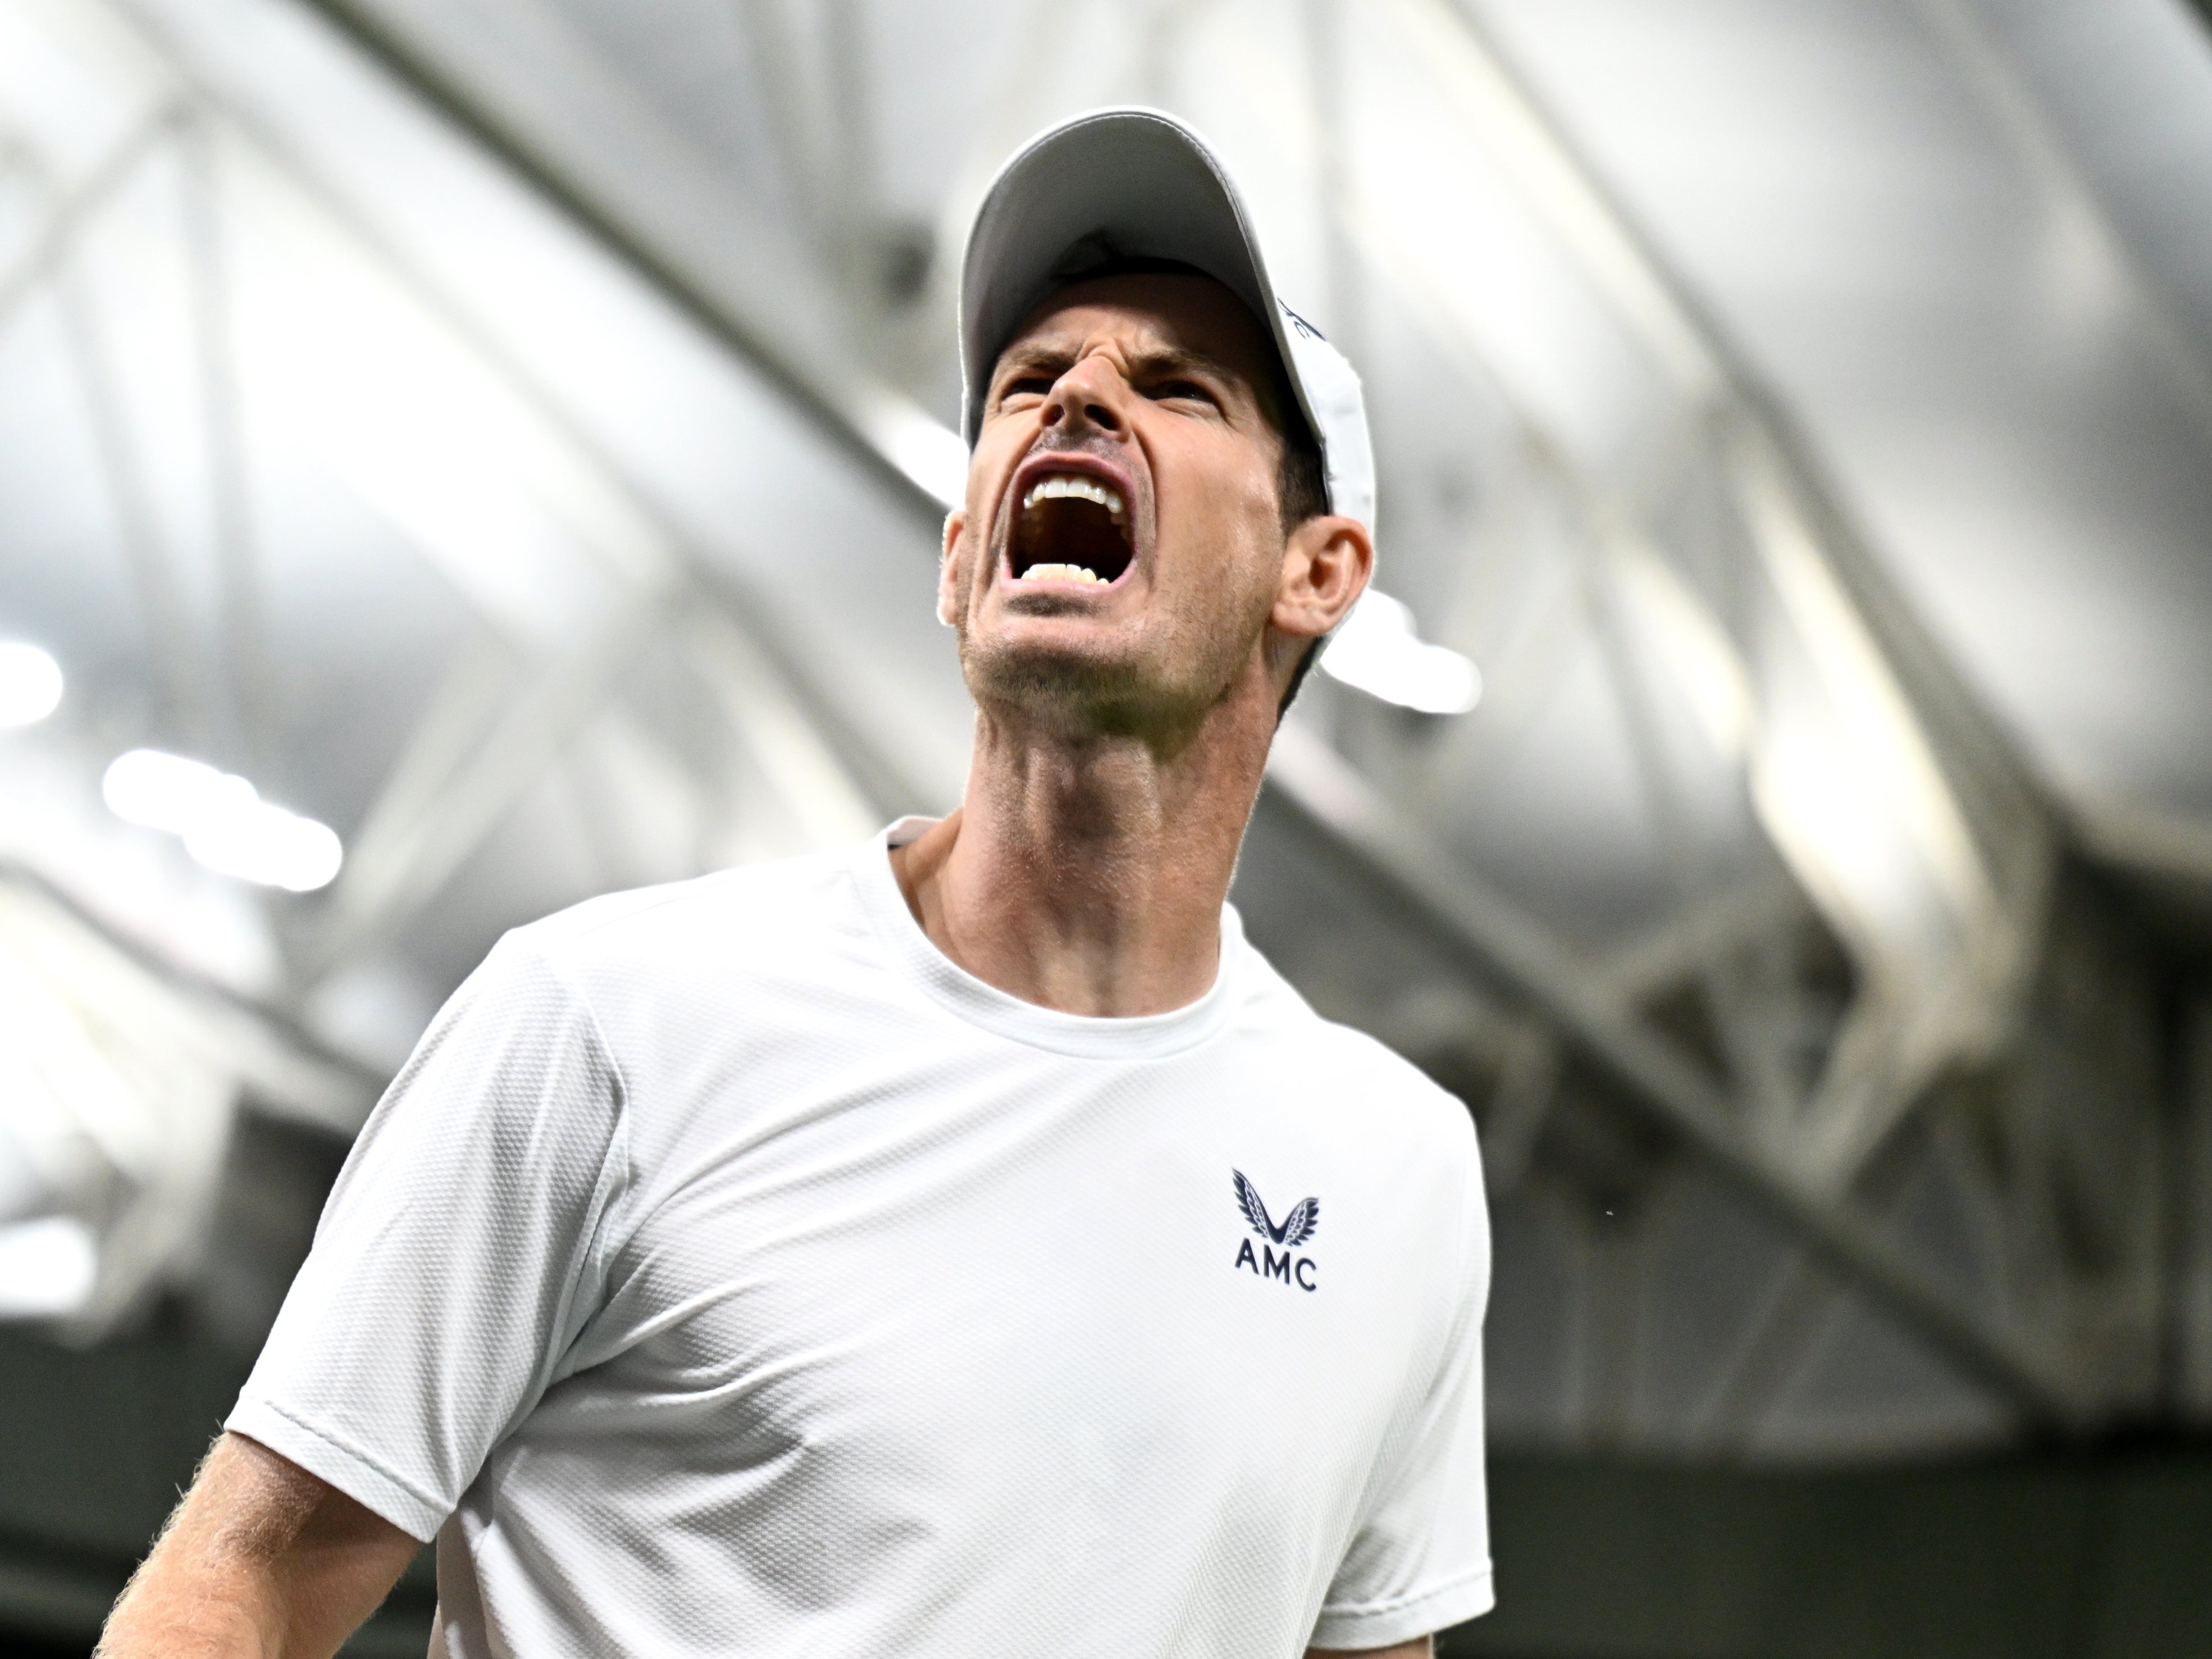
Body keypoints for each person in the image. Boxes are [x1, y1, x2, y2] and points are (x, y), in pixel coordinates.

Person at [97, 107, 1492, 1659]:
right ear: (962, 555)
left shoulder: (1395, 1174)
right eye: (1029, 380)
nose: (1080, 392)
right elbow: (244, 1587)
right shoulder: (603, 1025)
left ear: (1319, 571)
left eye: (1177, 386)